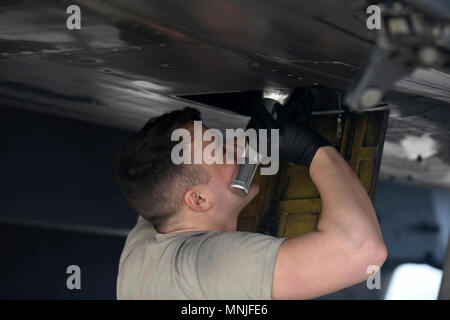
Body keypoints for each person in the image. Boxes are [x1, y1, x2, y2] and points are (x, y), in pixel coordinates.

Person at [115, 93, 387, 300]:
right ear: (197, 201)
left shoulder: (144, 254)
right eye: (220, 150)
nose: (236, 144)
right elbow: (362, 250)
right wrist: (312, 150)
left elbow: (152, 185)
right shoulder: (205, 264)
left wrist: (260, 140)